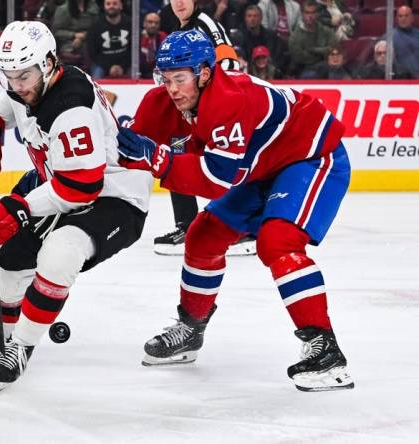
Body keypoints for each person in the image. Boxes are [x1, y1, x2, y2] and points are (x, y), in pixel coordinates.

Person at [117, 30, 354, 392]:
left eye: (180, 78)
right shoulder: (163, 101)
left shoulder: (228, 100)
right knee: (203, 235)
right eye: (166, 79)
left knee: (278, 242)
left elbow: (219, 178)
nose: (173, 89)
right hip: (262, 168)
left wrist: (160, 160)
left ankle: (326, 351)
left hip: (311, 157)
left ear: (205, 72)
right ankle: (191, 329)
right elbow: (125, 149)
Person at [0, 21, 153, 394]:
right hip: (60, 185)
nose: (17, 86)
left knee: (60, 253)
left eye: (24, 76)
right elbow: (11, 98)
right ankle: (7, 335)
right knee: (7, 269)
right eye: (9, 76)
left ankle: (22, 348)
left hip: (114, 197)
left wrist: (17, 207)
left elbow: (81, 187)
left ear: (48, 64)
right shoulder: (30, 83)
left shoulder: (71, 108)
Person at [151, 0, 255, 257]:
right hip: (189, 113)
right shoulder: (179, 29)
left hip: (212, 112)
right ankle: (186, 226)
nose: (179, 2)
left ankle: (239, 227)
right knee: (177, 155)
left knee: (223, 164)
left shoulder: (207, 24)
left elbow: (229, 66)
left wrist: (210, 104)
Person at [287, 0, 337, 77]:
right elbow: (301, 59)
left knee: (336, 69)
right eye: (307, 13)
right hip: (304, 70)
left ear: (317, 14)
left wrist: (312, 50)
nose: (310, 16)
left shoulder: (327, 31)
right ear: (302, 14)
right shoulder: (295, 37)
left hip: (327, 67)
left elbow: (333, 50)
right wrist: (323, 52)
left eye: (313, 13)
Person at [86, 0, 132, 78]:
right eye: (108, 4)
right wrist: (108, 67)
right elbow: (92, 53)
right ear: (104, 6)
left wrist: (122, 66)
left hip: (126, 63)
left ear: (121, 6)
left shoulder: (130, 23)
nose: (111, 6)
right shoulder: (95, 26)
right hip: (102, 64)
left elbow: (133, 49)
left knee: (135, 75)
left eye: (115, 3)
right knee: (96, 76)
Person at [51, 0, 100, 68]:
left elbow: (98, 27)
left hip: (90, 39)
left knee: (90, 48)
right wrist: (74, 35)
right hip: (69, 42)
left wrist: (82, 36)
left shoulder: (93, 6)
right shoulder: (63, 9)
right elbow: (56, 31)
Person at [240, 4, 287, 74]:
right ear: (245, 18)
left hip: (270, 73)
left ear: (261, 18)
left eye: (255, 16)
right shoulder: (240, 36)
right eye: (249, 16)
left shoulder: (271, 36)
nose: (252, 19)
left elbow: (276, 57)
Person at [390, 5, 418, 79]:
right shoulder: (389, 37)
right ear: (396, 19)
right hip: (399, 80)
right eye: (400, 16)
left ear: (412, 18)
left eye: (406, 16)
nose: (403, 18)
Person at [140, 11, 167, 78]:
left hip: (159, 74)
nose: (153, 25)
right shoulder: (137, 38)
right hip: (140, 73)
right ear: (144, 23)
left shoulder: (164, 37)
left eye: (156, 23)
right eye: (150, 22)